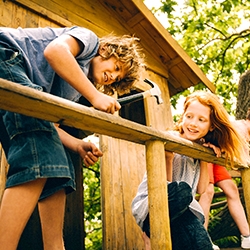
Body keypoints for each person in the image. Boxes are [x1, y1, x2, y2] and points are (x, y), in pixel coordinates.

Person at [0, 26, 145, 250]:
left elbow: (47, 125)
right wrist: (95, 96)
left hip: (18, 88)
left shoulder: (72, 89)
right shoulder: (89, 41)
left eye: (117, 77)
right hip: (6, 54)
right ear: (106, 50)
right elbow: (55, 51)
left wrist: (77, 145)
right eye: (116, 67)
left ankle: (54, 246)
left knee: (58, 169)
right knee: (40, 154)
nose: (113, 76)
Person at [132, 91, 248, 250]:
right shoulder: (170, 138)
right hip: (152, 204)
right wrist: (169, 158)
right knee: (181, 192)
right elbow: (163, 188)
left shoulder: (200, 148)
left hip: (184, 211)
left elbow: (201, 189)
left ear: (211, 125)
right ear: (183, 116)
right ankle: (149, 230)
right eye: (189, 116)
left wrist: (204, 157)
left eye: (201, 120)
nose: (193, 123)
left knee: (202, 243)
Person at [199, 108, 250, 250]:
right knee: (207, 191)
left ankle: (246, 236)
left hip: (217, 158)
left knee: (232, 190)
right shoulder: (240, 128)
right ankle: (202, 240)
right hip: (207, 153)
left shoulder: (246, 133)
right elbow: (241, 158)